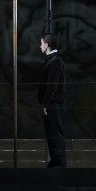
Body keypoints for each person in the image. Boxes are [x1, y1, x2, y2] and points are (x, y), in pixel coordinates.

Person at [37, 33, 66, 168]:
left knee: (55, 134)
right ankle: (56, 163)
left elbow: (51, 85)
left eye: (41, 43)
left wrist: (46, 104)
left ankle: (59, 165)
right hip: (53, 104)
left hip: (53, 105)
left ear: (47, 44)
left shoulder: (55, 61)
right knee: (52, 134)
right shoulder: (53, 60)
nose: (40, 45)